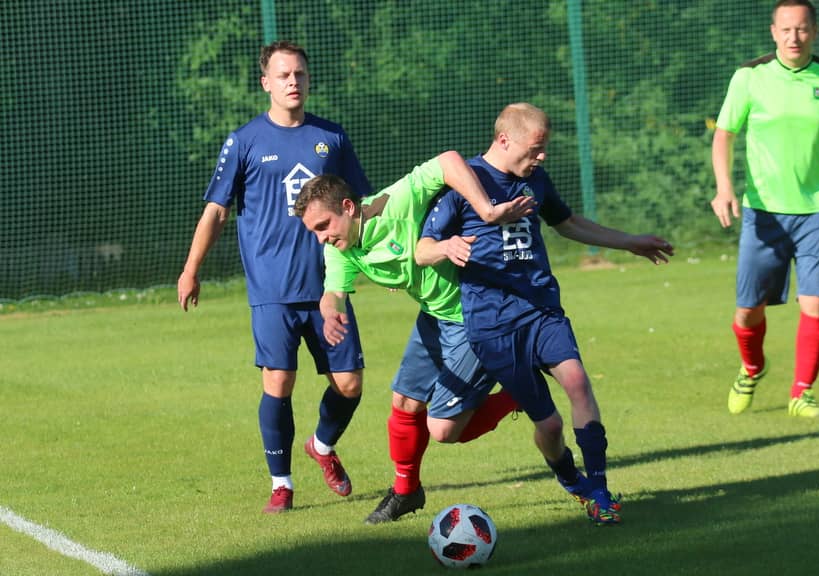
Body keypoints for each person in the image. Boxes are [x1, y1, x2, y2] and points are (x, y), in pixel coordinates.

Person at [418, 103, 674, 525]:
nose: (542, 156)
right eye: (535, 149)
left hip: (540, 309)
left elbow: (567, 222)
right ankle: (574, 482)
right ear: (504, 140)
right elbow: (422, 249)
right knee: (550, 427)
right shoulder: (466, 182)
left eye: (544, 148)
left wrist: (629, 242)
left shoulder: (535, 179)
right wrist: (445, 247)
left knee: (577, 382)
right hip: (492, 326)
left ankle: (600, 490)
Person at [177, 41, 372, 514]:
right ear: (266, 82)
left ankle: (321, 446)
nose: (293, 82)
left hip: (328, 285)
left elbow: (362, 206)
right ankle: (281, 485)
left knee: (350, 384)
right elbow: (217, 211)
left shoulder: (331, 137)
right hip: (272, 288)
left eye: (299, 74)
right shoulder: (244, 141)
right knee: (279, 381)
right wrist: (191, 269)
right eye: (283, 75)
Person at [292, 151, 534, 524]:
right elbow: (333, 293)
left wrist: (486, 210)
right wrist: (330, 312)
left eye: (323, 225)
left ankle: (522, 392)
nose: (321, 237)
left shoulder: (397, 201)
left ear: (348, 207)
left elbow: (449, 161)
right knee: (404, 402)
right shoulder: (340, 248)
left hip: (476, 316)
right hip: (434, 315)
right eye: (314, 232)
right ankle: (406, 492)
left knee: (445, 430)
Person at [710, 0, 819, 419]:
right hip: (764, 213)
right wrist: (725, 188)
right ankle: (752, 367)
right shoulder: (750, 78)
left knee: (815, 304)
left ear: (815, 31)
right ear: (773, 32)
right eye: (786, 29)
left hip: (816, 211)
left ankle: (802, 392)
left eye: (803, 28)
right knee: (748, 311)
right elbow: (724, 135)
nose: (795, 37)